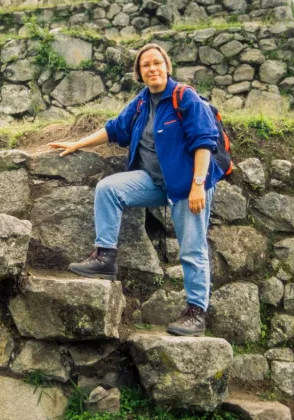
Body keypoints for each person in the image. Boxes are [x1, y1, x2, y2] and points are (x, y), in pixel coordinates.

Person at [48, 43, 223, 337]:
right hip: (155, 182)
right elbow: (115, 129)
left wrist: (198, 185)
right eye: (146, 66)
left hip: (188, 186)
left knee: (192, 251)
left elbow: (205, 141)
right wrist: (77, 143)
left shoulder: (186, 97)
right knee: (109, 188)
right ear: (140, 74)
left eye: (157, 63)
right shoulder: (142, 102)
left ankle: (196, 313)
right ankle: (105, 257)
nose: (152, 69)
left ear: (167, 66)